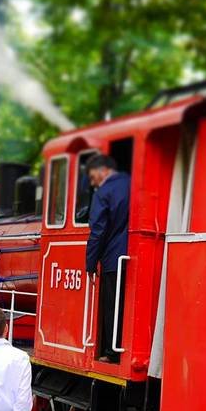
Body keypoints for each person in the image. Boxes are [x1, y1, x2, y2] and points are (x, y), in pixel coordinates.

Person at [84, 153, 130, 364]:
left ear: (103, 170)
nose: (93, 183)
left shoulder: (104, 192)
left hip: (113, 257)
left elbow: (98, 230)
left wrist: (91, 263)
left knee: (112, 305)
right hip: (135, 254)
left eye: (92, 177)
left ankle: (112, 351)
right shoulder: (132, 184)